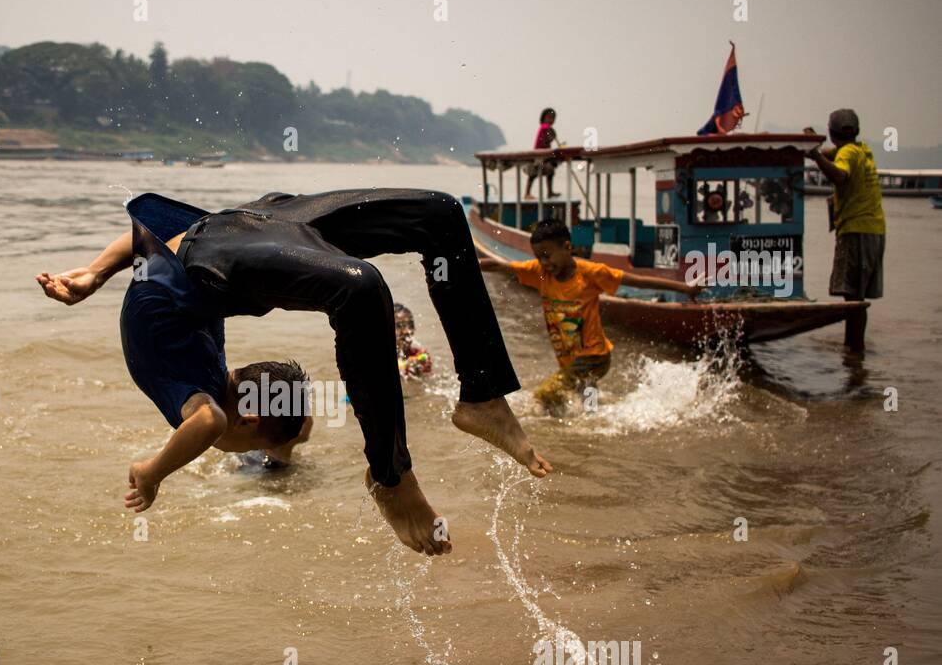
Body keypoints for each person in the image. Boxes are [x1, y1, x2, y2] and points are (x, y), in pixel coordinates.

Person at [37, 188, 551, 556]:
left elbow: (209, 426)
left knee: (362, 287)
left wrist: (152, 474)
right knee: (437, 216)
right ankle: (481, 395)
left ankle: (392, 476)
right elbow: (150, 236)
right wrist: (94, 273)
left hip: (222, 250)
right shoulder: (209, 364)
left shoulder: (187, 394)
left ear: (247, 421)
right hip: (251, 220)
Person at [477, 219, 703, 415]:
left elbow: (634, 280)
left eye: (547, 256)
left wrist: (685, 288)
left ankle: (566, 430)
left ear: (567, 246)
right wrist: (467, 266)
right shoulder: (540, 273)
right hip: (570, 357)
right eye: (539, 257)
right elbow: (501, 266)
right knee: (587, 406)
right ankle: (588, 426)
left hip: (594, 355)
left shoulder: (591, 274)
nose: (544, 263)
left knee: (545, 395)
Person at [803, 109, 885, 352]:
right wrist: (814, 149)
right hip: (874, 230)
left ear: (831, 132)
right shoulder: (862, 150)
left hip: (857, 230)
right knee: (855, 296)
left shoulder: (847, 153)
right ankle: (854, 355)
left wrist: (816, 154)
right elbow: (826, 156)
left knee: (853, 298)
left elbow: (839, 176)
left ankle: (854, 350)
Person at [524, 108, 559, 201]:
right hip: (539, 155)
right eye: (549, 117)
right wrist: (552, 136)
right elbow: (547, 139)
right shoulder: (545, 127)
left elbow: (548, 140)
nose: (551, 120)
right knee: (534, 173)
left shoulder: (546, 128)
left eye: (553, 118)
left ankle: (549, 192)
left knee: (550, 171)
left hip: (544, 155)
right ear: (543, 118)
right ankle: (528, 193)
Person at [393, 303, 432, 378]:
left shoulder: (417, 354)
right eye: (398, 326)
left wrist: (421, 370)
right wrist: (407, 364)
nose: (407, 331)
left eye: (410, 325)